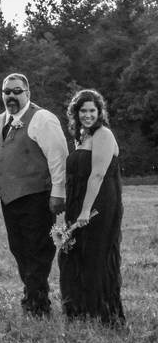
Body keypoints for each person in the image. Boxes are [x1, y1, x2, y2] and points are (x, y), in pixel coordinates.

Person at [0, 73, 68, 317]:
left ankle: (38, 304)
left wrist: (59, 192)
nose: (11, 95)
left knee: (37, 251)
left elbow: (58, 157)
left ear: (27, 93)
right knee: (18, 249)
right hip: (10, 199)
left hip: (37, 196)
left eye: (16, 91)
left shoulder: (42, 118)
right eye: (6, 91)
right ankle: (32, 295)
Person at [58, 89, 124, 325]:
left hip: (99, 204)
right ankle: (79, 310)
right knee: (74, 254)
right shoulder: (82, 136)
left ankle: (104, 313)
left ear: (99, 112)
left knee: (96, 255)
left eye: (92, 110)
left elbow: (97, 175)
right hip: (79, 202)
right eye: (83, 110)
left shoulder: (103, 134)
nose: (87, 115)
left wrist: (86, 211)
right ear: (75, 113)